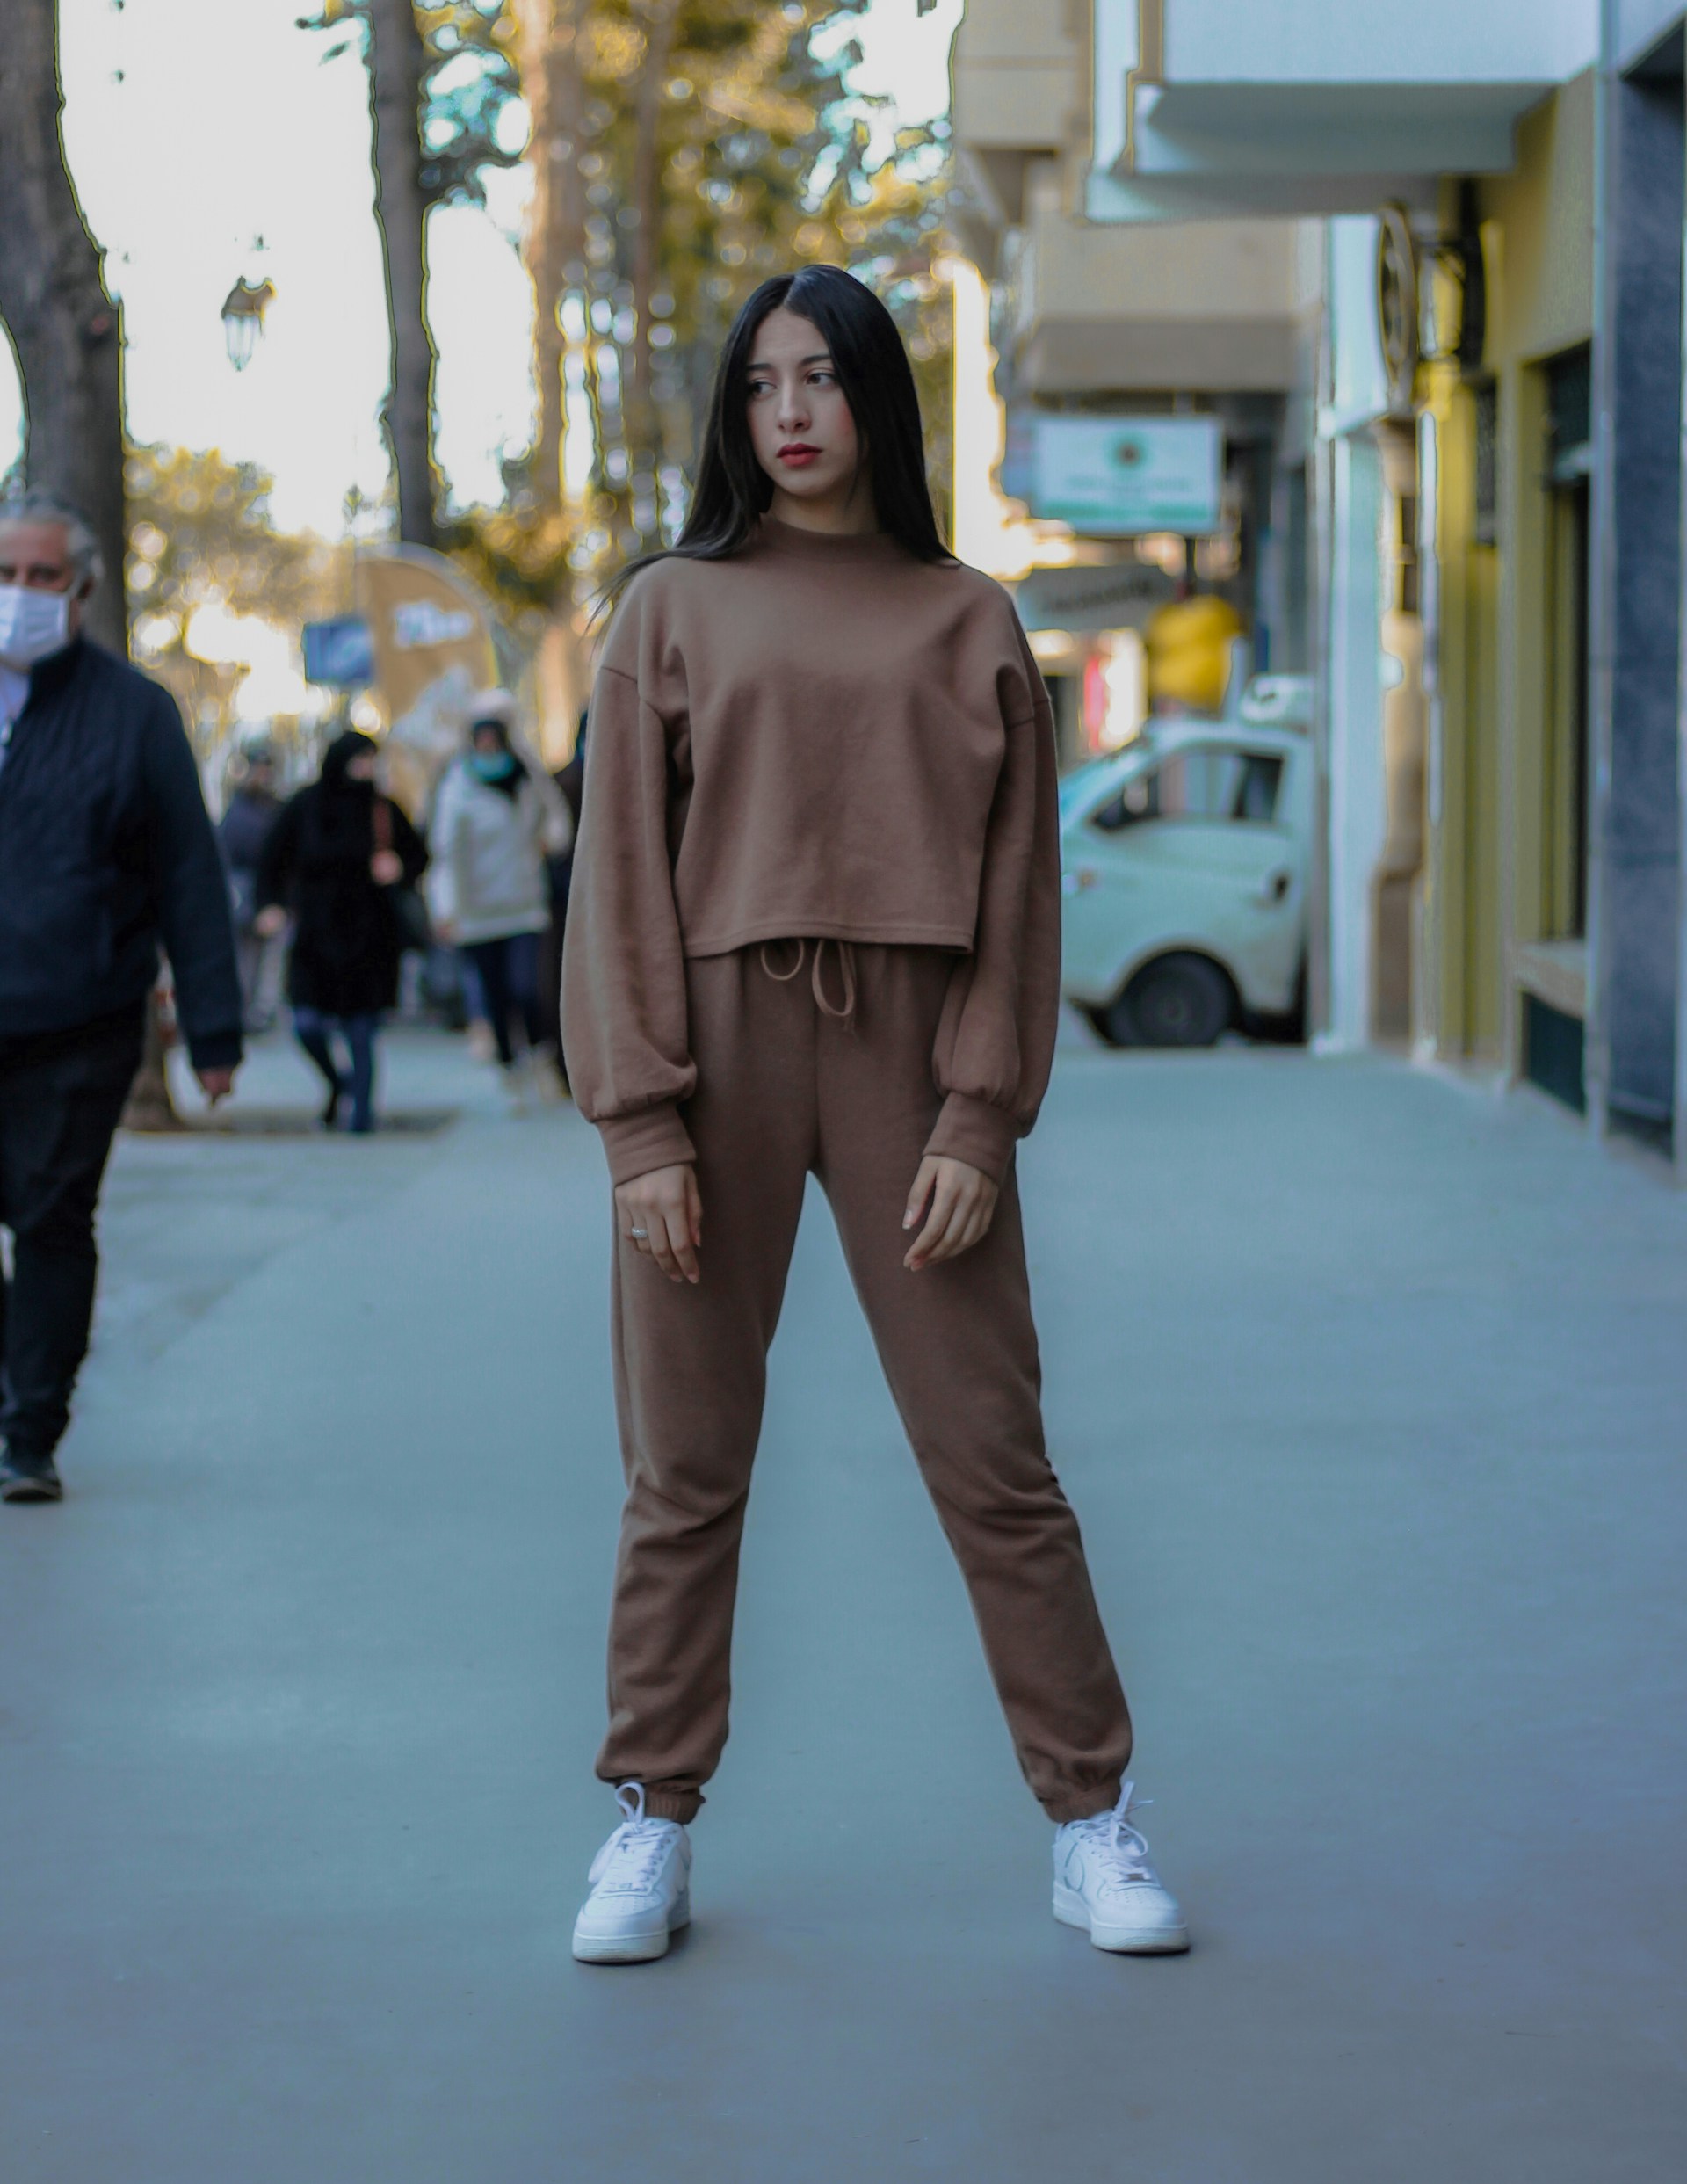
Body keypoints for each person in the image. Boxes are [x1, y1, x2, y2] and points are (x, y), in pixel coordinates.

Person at [561, 266, 1190, 1963]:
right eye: (761, 379)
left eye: (823, 378)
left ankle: (1093, 1819)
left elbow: (1017, 891)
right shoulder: (670, 611)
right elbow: (618, 876)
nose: (789, 411)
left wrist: (980, 1111)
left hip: (916, 1047)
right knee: (684, 1467)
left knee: (996, 1461)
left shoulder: (969, 616)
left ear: (876, 403)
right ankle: (649, 1822)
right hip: (717, 1038)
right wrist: (641, 1127)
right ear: (732, 409)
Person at [0, 490, 242, 1505]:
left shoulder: (136, 713)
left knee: (51, 1215)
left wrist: (214, 1028)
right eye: (5, 575)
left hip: (82, 1016)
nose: (20, 595)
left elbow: (189, 874)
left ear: (83, 589)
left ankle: (31, 1429)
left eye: (41, 576)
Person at [255, 730, 426, 1134]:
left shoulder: (382, 809)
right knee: (307, 1023)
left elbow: (417, 854)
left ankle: (361, 1115)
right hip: (316, 934)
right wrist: (271, 906)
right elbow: (272, 860)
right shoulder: (306, 806)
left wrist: (399, 869)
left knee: (362, 1028)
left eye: (371, 760)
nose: (366, 769)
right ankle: (338, 1085)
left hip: (370, 934)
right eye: (360, 761)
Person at [428, 692, 570, 1103]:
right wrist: (447, 909)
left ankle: (542, 1062)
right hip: (478, 911)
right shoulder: (457, 787)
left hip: (524, 902)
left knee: (529, 988)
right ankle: (511, 1070)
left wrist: (550, 841)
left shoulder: (527, 775)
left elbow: (556, 817)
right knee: (496, 994)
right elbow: (446, 854)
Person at [218, 736, 286, 1031]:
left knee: (269, 957)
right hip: (243, 891)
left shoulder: (275, 810)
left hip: (269, 891)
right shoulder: (238, 809)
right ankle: (244, 1010)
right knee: (244, 956)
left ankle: (259, 1010)